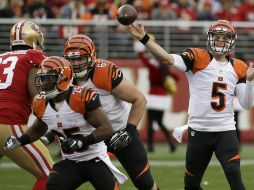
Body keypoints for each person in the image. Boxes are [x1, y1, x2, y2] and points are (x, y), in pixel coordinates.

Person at [127, 20, 254, 190]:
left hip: (225, 131)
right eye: (217, 36)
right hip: (199, 132)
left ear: (231, 40)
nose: (220, 41)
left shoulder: (238, 66)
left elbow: (246, 104)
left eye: (225, 37)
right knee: (191, 185)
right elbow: (167, 58)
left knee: (233, 174)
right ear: (210, 38)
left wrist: (251, 81)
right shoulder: (197, 57)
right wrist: (144, 38)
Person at [4, 56, 127, 190]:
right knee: (52, 186)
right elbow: (38, 129)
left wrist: (81, 142)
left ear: (62, 78)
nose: (42, 83)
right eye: (41, 79)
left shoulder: (80, 97)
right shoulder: (41, 102)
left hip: (95, 159)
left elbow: (106, 128)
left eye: (47, 78)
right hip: (70, 162)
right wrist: (20, 140)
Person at [62, 34, 159, 190]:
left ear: (92, 56)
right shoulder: (64, 76)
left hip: (119, 131)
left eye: (81, 58)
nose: (76, 63)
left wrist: (128, 132)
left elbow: (139, 99)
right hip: (92, 138)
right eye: (72, 59)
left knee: (144, 183)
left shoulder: (103, 72)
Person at [0, 20, 53, 190]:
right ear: (34, 39)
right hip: (8, 123)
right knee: (50, 176)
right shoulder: (33, 57)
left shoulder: (1, 57)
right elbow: (39, 99)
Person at [133, 40, 177, 153]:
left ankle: (150, 145)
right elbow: (177, 78)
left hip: (153, 97)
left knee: (151, 122)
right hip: (163, 98)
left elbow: (142, 57)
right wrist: (168, 82)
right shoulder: (166, 68)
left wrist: (139, 45)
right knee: (161, 122)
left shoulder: (153, 66)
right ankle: (171, 143)